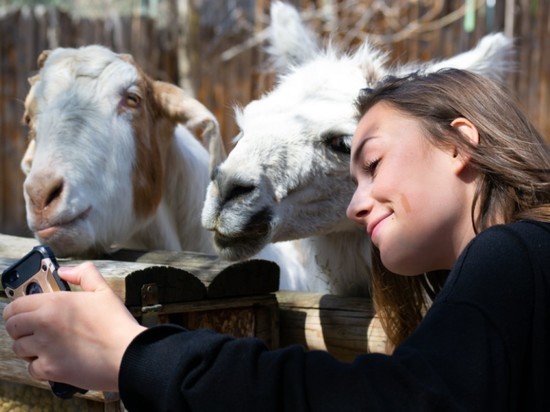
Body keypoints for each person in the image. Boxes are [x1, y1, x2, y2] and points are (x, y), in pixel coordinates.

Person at [3, 68, 550, 411]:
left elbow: (395, 400)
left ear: (459, 145)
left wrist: (132, 354)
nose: (356, 204)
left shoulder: (511, 255)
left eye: (372, 162)